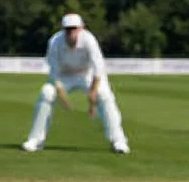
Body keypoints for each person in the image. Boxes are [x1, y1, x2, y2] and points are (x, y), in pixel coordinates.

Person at [21, 13, 129, 154]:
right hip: (64, 76)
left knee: (104, 95)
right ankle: (35, 140)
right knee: (46, 93)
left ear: (81, 28)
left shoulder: (89, 40)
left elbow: (99, 67)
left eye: (74, 28)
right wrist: (61, 95)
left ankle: (118, 141)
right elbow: (53, 71)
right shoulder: (55, 41)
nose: (71, 32)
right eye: (68, 29)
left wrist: (92, 92)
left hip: (87, 74)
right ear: (63, 29)